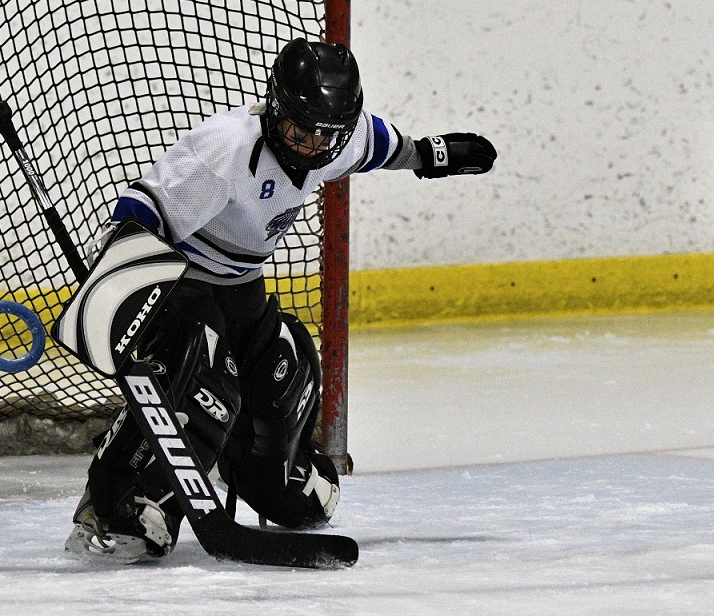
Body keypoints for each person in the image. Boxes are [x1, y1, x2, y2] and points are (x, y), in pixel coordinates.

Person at [64, 37, 497, 562]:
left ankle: (273, 479)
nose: (313, 145)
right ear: (275, 108)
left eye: (326, 136)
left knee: (284, 373)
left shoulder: (335, 138)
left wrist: (431, 154)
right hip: (184, 289)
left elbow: (378, 144)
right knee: (203, 389)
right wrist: (119, 288)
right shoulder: (225, 148)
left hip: (242, 290)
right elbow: (142, 208)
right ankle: (115, 504)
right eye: (301, 130)